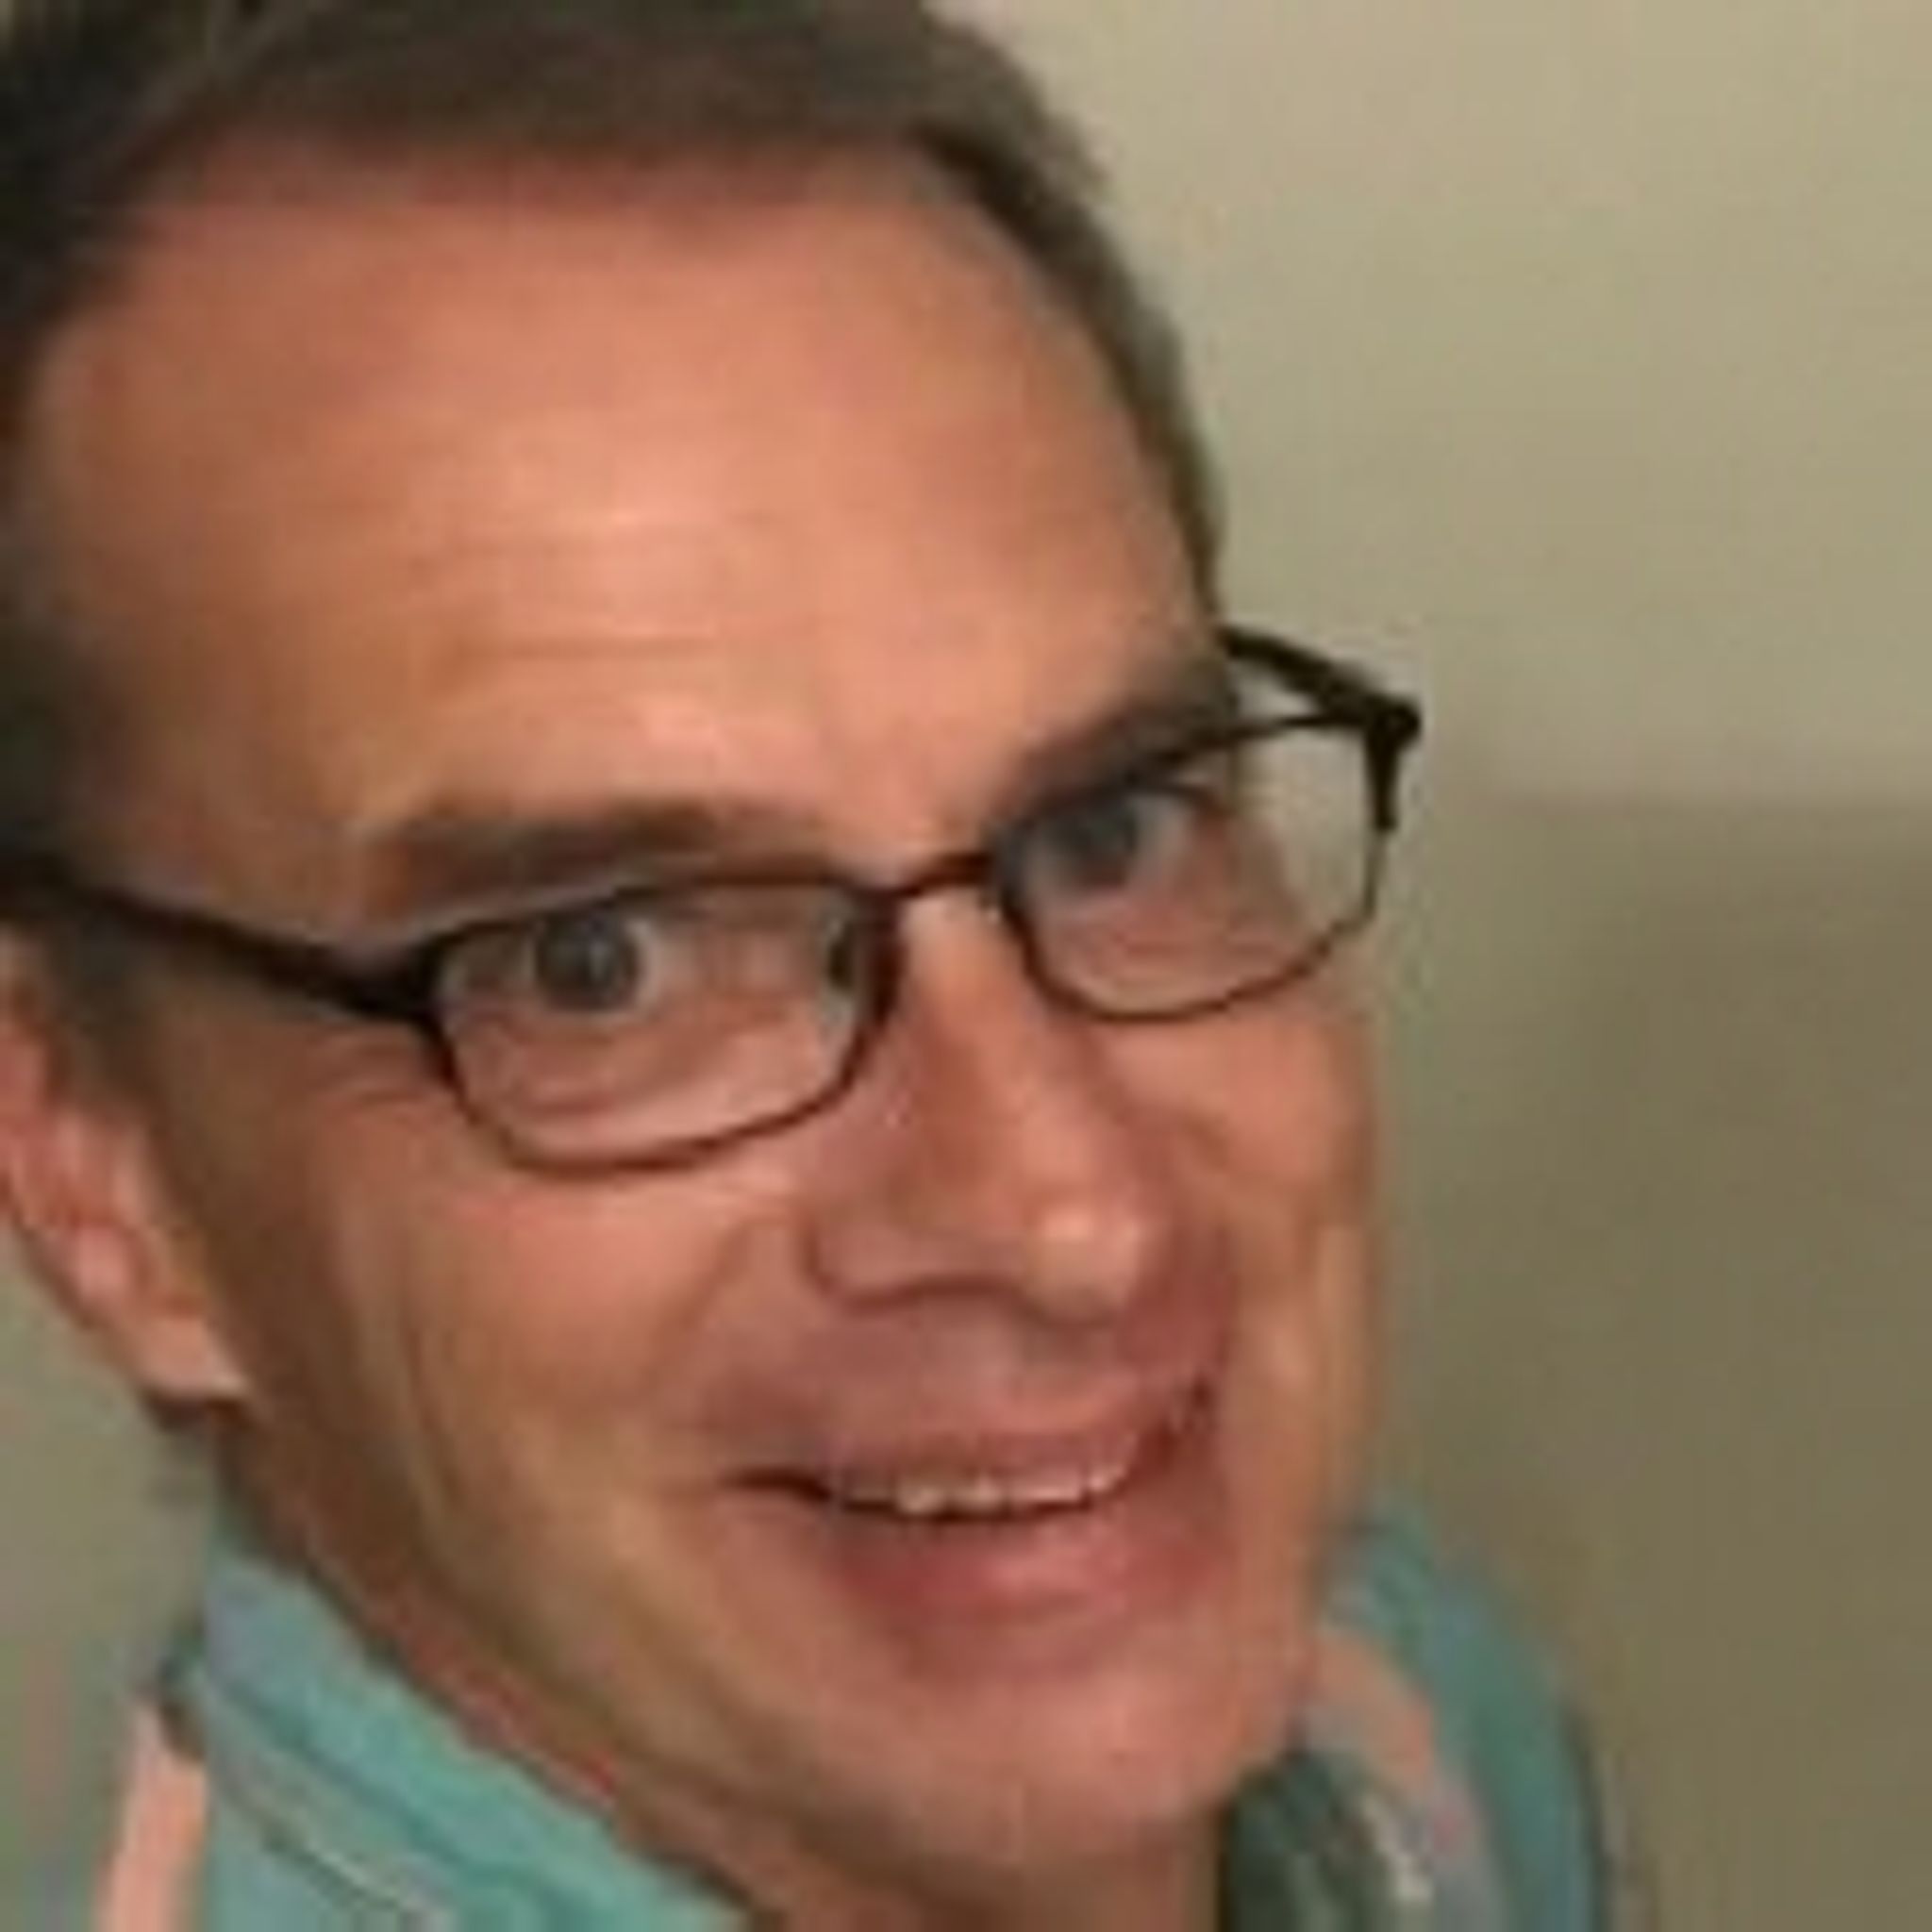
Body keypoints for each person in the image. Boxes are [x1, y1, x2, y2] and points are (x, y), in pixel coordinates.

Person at [0, 1, 1609, 1924]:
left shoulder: (1404, 1707)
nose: (1075, 1216)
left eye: (1111, 831)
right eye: (600, 965)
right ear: (97, 1172)